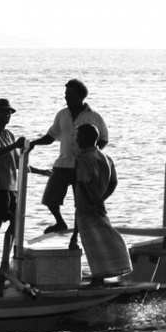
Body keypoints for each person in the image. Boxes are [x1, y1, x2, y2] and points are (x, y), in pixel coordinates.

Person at [27, 79, 109, 242]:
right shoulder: (62, 114)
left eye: (70, 94)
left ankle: (76, 236)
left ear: (80, 96)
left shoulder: (94, 116)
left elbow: (104, 139)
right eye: (66, 94)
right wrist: (34, 143)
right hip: (63, 163)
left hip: (83, 165)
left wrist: (92, 153)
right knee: (50, 198)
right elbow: (51, 136)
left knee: (81, 204)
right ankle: (60, 222)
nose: (66, 97)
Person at [0, 98, 47, 289]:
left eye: (8, 112)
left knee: (16, 223)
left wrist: (42, 171)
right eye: (3, 111)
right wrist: (15, 145)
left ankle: (4, 261)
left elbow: (18, 162)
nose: (6, 115)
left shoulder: (9, 134)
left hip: (12, 187)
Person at [73, 123, 132, 286]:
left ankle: (98, 279)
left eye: (79, 137)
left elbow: (82, 183)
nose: (77, 140)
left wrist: (92, 201)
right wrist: (101, 199)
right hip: (99, 206)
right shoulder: (106, 157)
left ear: (87, 138)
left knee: (92, 244)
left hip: (86, 208)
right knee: (104, 238)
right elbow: (113, 182)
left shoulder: (85, 158)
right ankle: (106, 273)